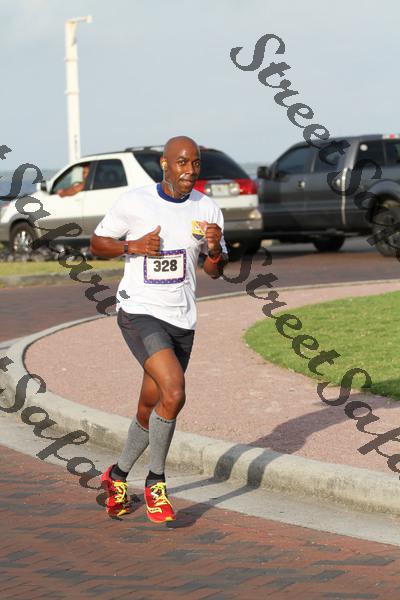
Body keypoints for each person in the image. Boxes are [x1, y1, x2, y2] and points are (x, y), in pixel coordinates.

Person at [90, 136, 228, 523]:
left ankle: (117, 476)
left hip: (182, 318)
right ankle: (156, 483)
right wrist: (131, 247)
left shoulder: (208, 209)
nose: (190, 171)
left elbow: (215, 271)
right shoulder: (135, 202)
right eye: (182, 163)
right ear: (165, 165)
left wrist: (215, 249)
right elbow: (97, 243)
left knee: (149, 405)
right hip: (139, 311)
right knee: (175, 391)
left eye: (195, 163)